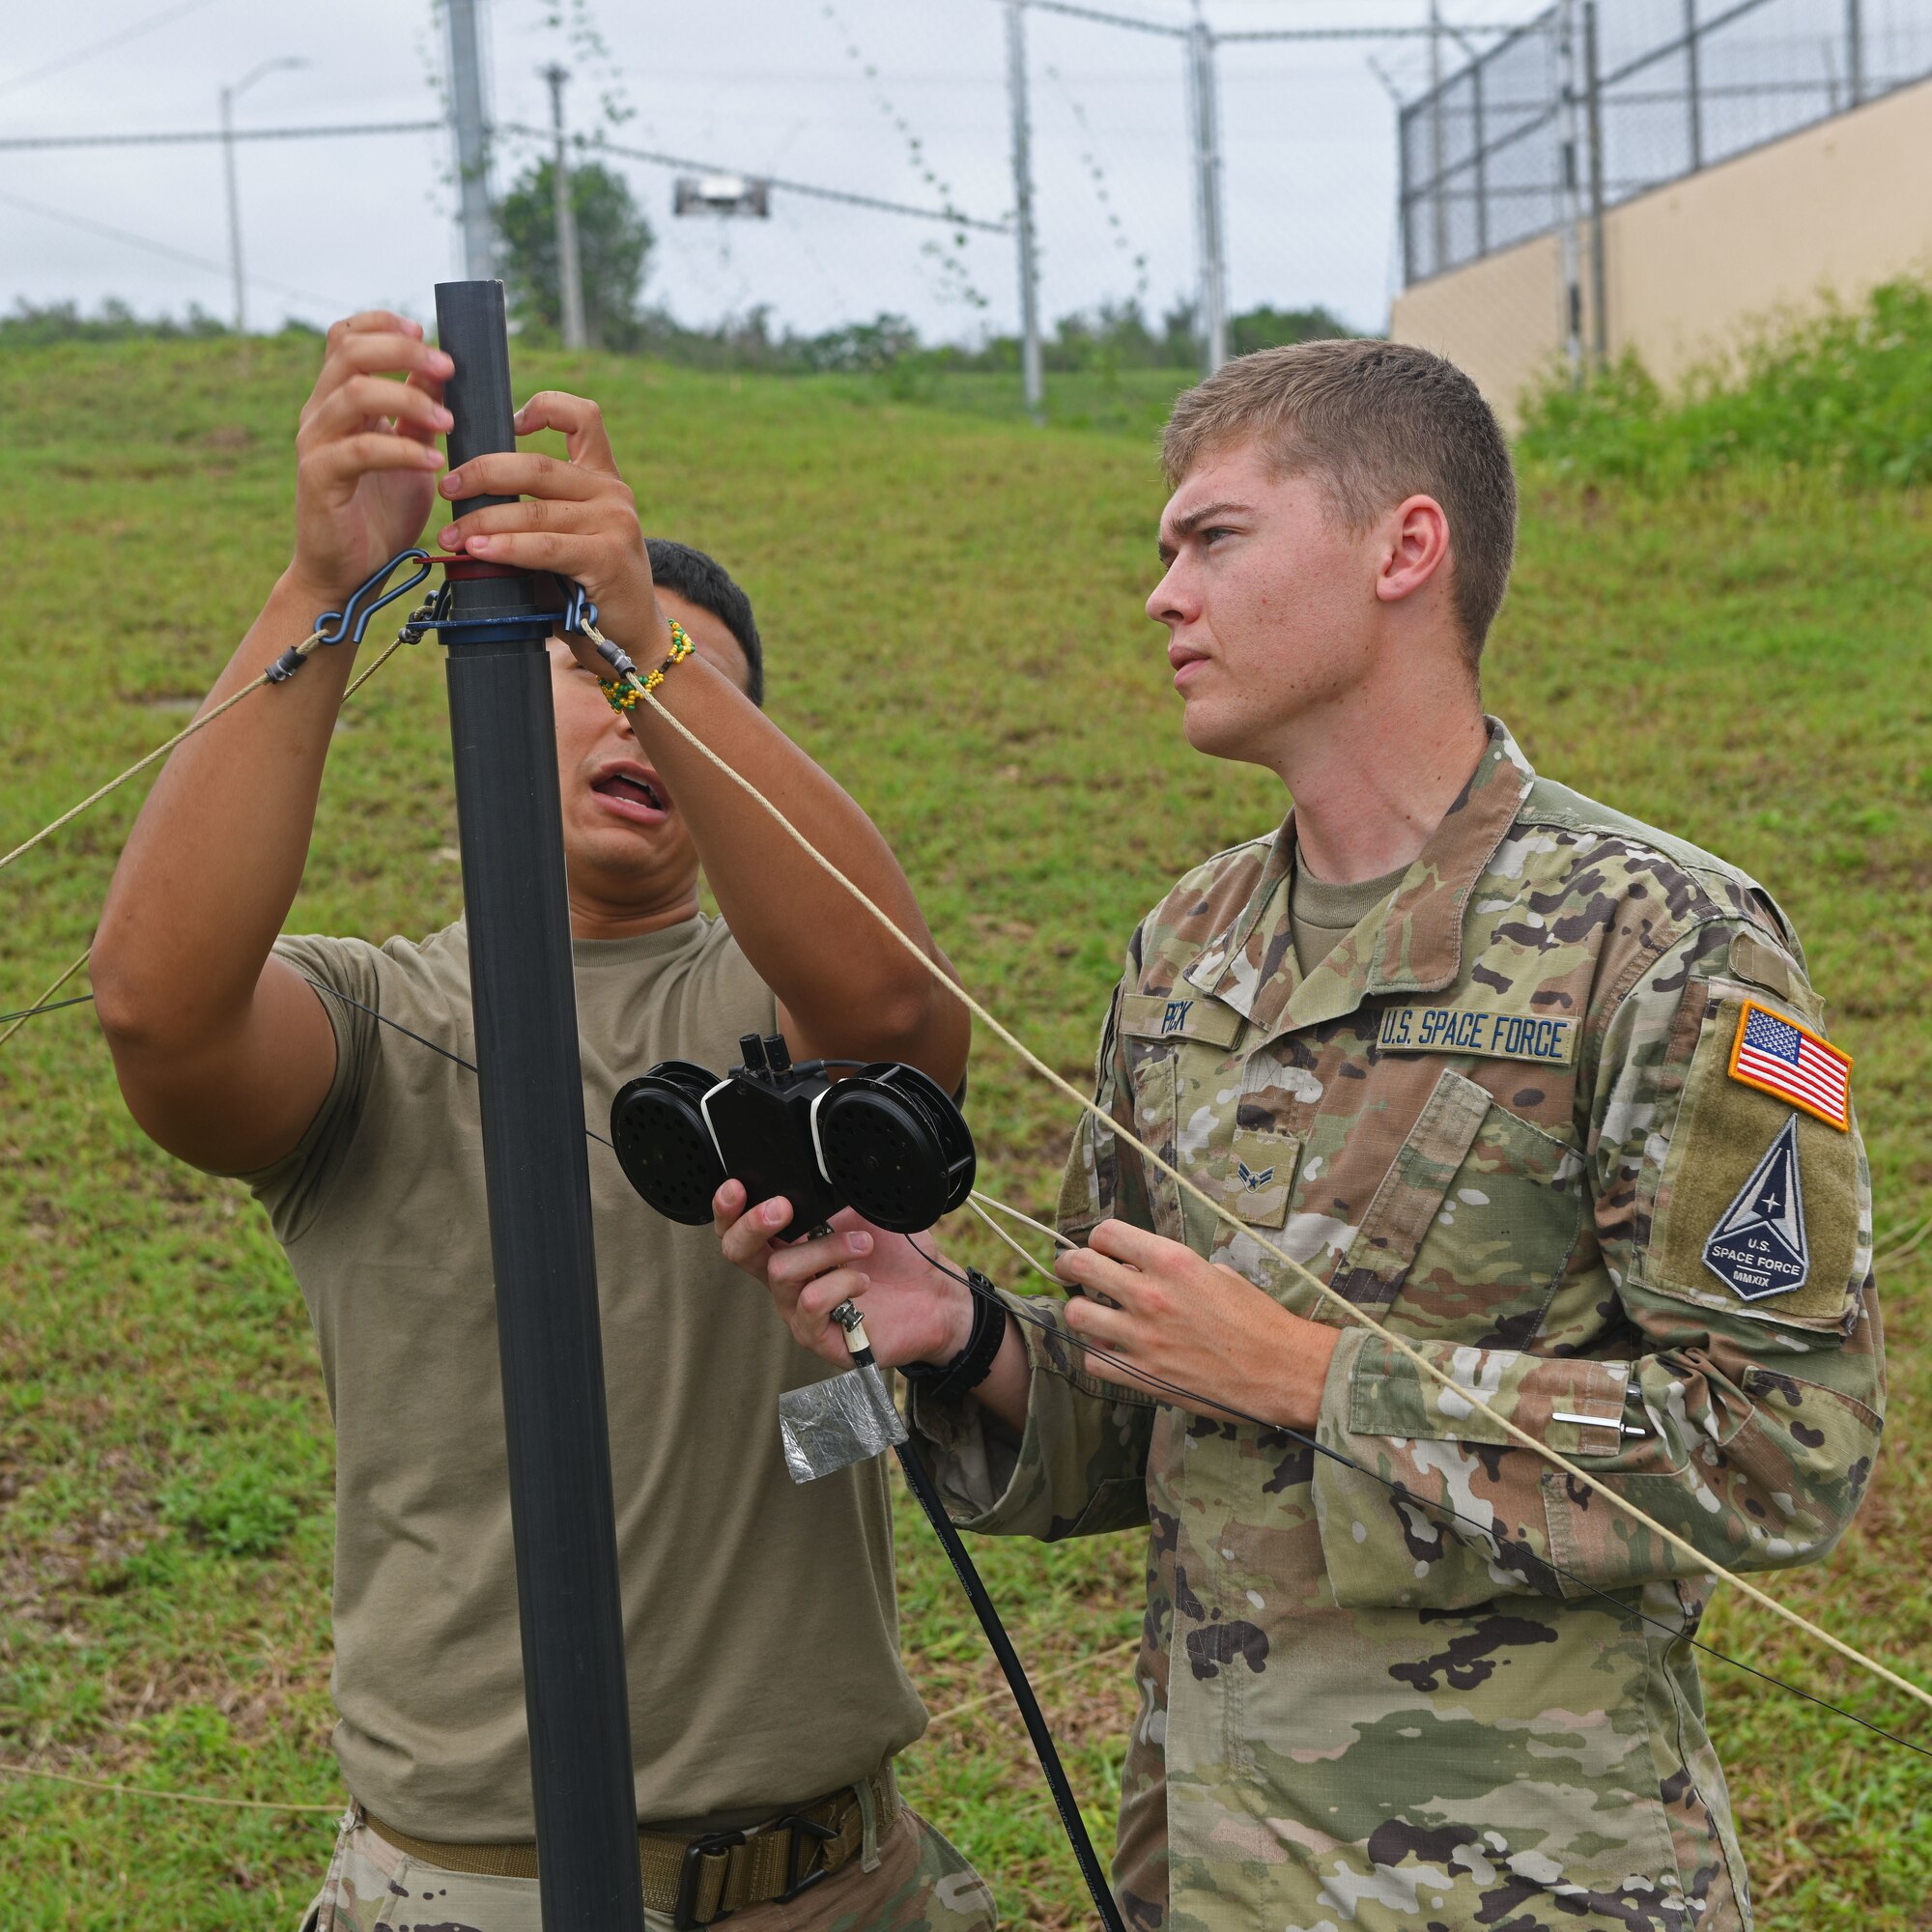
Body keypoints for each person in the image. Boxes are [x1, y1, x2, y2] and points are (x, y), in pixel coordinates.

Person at [713, 340, 1885, 1932]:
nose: (1163, 597)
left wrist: (1315, 1376)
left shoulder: (1666, 941)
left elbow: (1782, 1452)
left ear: (1406, 548)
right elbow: (1136, 1421)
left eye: (1216, 539)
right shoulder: (1187, 945)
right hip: (1206, 1875)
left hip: (1533, 1887)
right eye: (1164, 552)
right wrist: (961, 1332)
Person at [91, 310, 995, 1932]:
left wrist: (647, 635)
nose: (627, 704)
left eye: (663, 676)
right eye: (579, 666)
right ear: (496, 704)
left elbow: (899, 1016)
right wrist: (322, 591)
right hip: (469, 1891)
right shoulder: (380, 1024)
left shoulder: (790, 1016)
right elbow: (163, 1019)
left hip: (832, 1884)